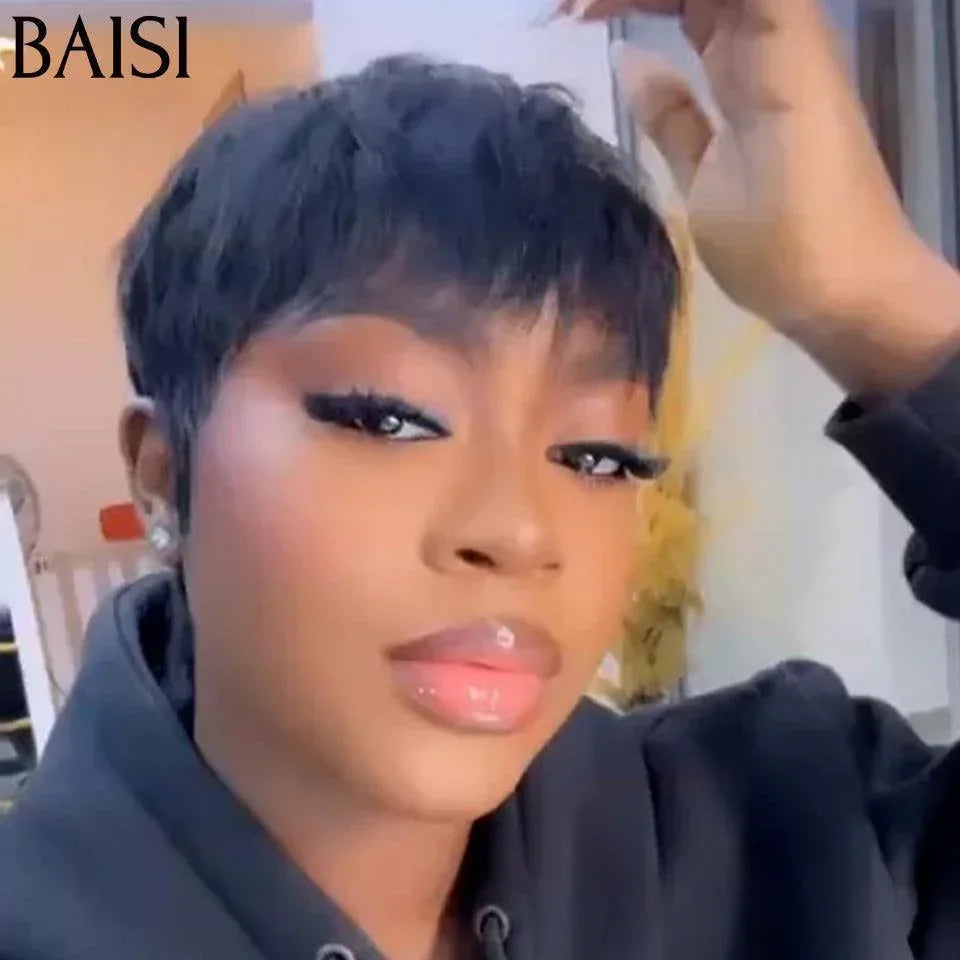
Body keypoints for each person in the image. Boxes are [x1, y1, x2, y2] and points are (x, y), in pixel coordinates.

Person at [3, 0, 960, 957]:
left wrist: (883, 311)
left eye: (597, 456)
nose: (518, 531)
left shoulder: (793, 841)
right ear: (164, 474)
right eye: (388, 418)